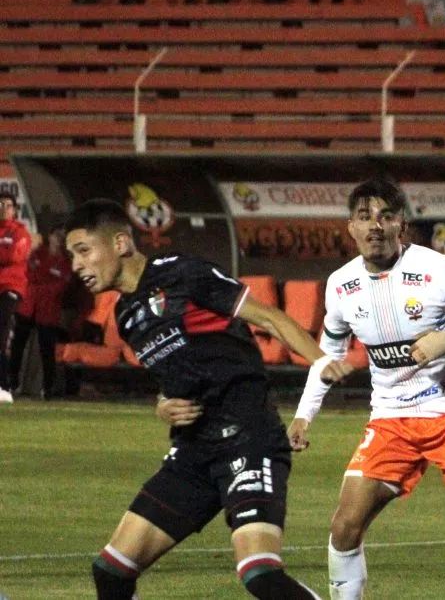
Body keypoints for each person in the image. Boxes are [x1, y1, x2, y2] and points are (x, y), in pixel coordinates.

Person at [65, 199, 338, 599]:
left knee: (260, 575)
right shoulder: (125, 315)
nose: (76, 265)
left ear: (120, 243)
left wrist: (321, 361)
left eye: (83, 251)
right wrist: (164, 405)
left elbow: (268, 317)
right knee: (111, 571)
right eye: (73, 256)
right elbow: (174, 378)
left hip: (247, 438)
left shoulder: (182, 273)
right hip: (194, 452)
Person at [287, 180, 445, 600]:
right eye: (365, 217)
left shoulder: (439, 269)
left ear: (402, 224)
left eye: (385, 216)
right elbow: (328, 356)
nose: (375, 226)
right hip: (391, 418)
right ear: (350, 227)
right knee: (344, 528)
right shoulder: (341, 285)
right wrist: (303, 415)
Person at [9, 225, 73, 399]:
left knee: (47, 350)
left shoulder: (65, 262)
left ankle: (47, 388)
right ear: (50, 236)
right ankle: (11, 383)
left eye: (61, 237)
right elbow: (28, 273)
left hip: (48, 311)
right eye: (56, 236)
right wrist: (42, 282)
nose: (57, 240)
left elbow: (61, 285)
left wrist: (40, 284)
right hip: (28, 306)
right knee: (17, 346)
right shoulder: (38, 253)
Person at [0, 192, 32, 404]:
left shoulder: (20, 232)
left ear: (14, 210)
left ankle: (4, 385)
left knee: (2, 331)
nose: (3, 208)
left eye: (7, 205)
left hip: (10, 287)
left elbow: (13, 256)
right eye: (0, 204)